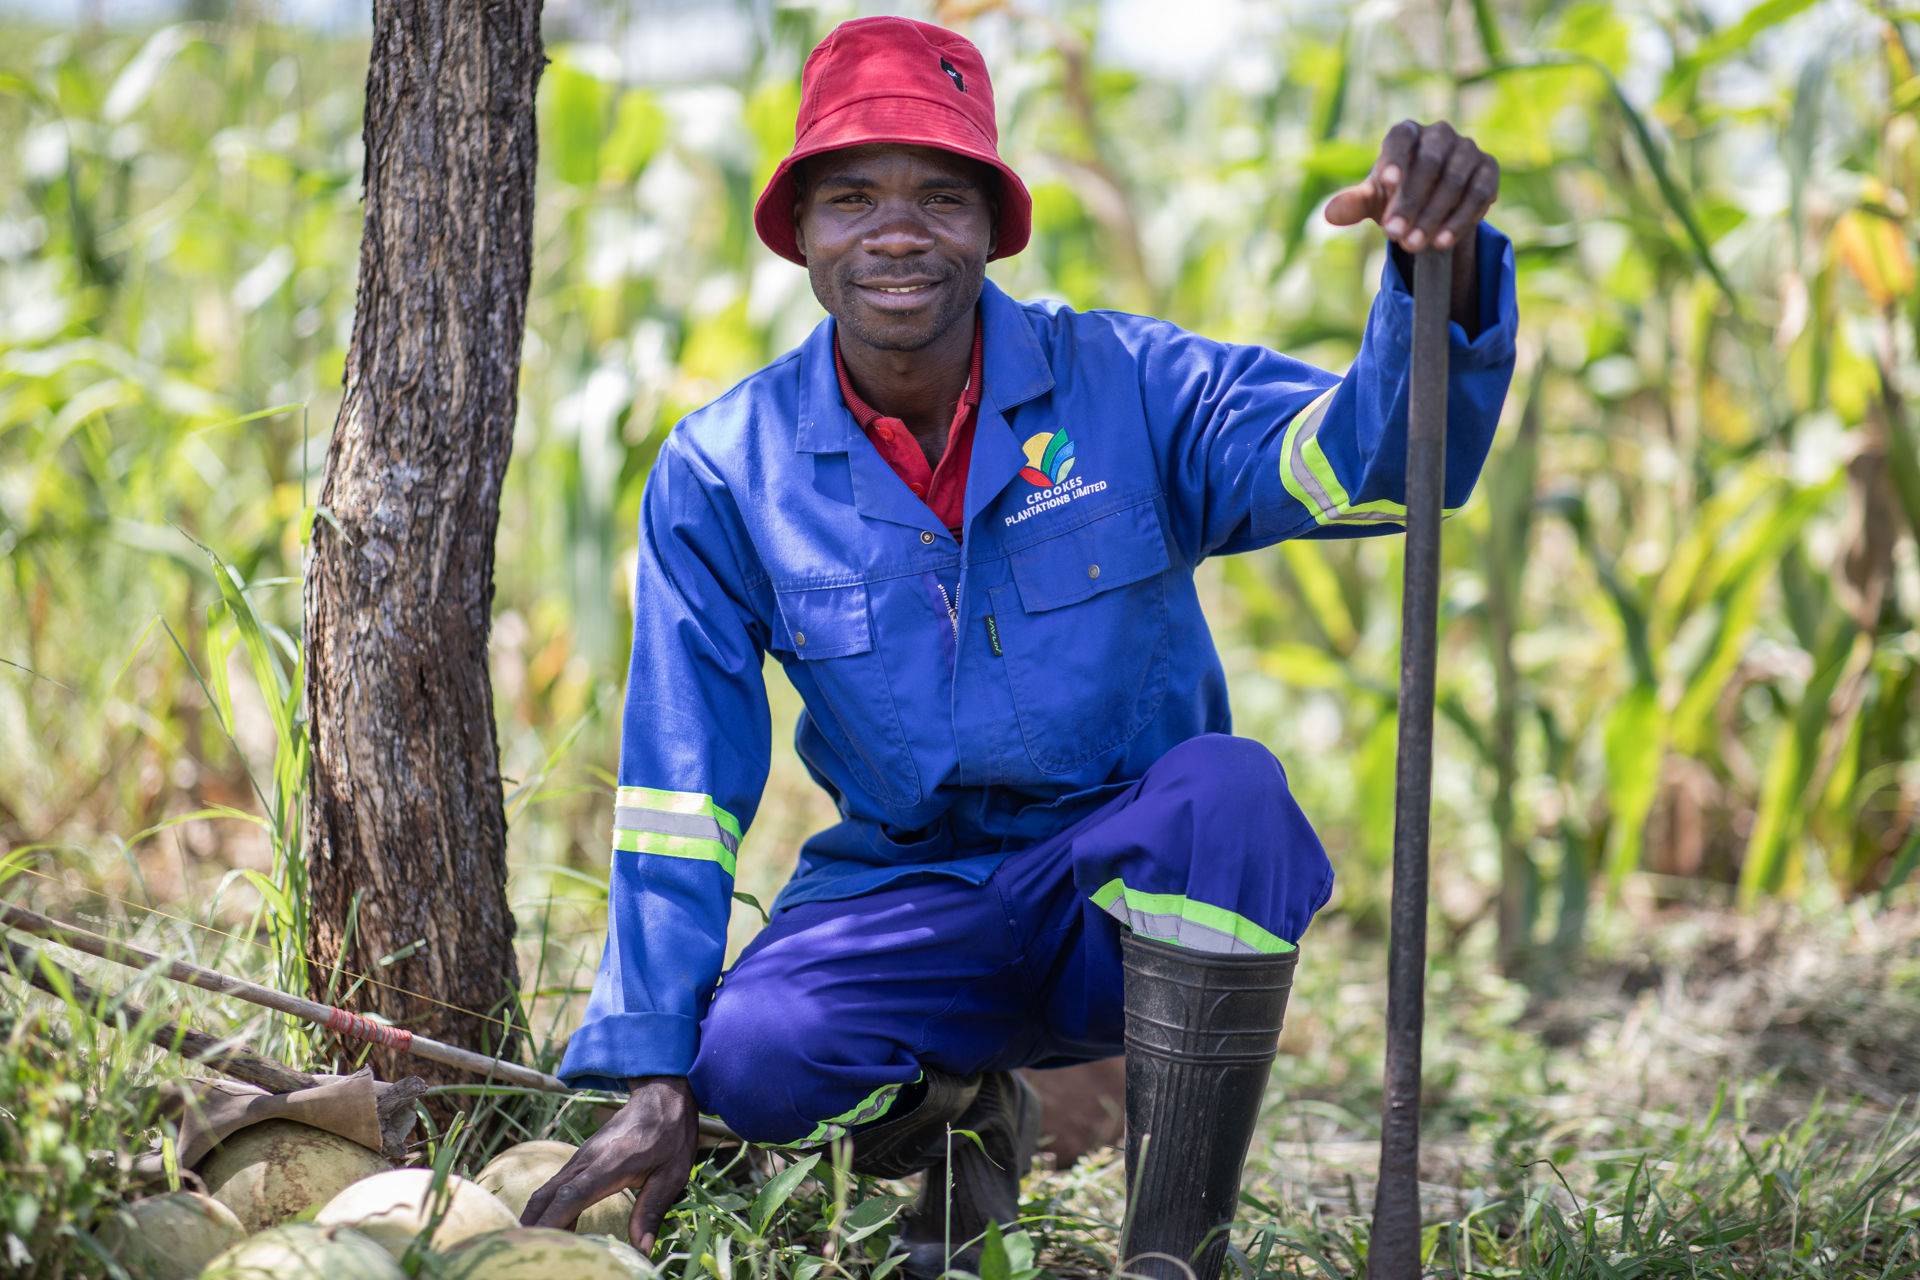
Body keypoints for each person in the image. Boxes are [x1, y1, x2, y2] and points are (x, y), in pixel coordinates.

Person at [523, 16, 1516, 1280]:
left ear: (994, 225)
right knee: (758, 1055)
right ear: (801, 235)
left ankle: (1173, 1252)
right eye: (852, 198)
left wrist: (1448, 271)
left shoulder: (1131, 385)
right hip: (904, 893)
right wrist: (655, 1065)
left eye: (941, 194)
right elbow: (681, 785)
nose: (896, 230)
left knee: (1231, 795)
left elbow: (1376, 465)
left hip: (1118, 902)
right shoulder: (727, 468)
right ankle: (956, 1126)